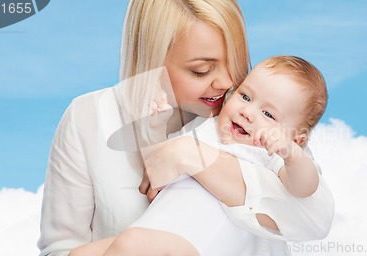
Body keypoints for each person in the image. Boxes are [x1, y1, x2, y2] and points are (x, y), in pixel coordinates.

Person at [38, 0, 334, 255]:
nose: (227, 83)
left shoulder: (268, 127)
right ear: (151, 59)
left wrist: (188, 156)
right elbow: (59, 250)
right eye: (201, 71)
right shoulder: (88, 117)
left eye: (235, 62)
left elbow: (313, 216)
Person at [86, 55, 330, 256]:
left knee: (132, 244)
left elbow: (303, 189)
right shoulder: (203, 128)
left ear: (296, 138)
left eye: (269, 114)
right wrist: (155, 128)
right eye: (245, 97)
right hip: (156, 225)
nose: (248, 112)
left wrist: (293, 156)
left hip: (195, 240)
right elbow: (157, 168)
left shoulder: (267, 153)